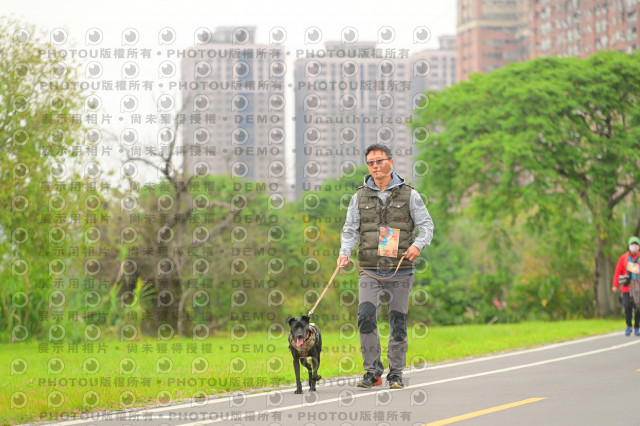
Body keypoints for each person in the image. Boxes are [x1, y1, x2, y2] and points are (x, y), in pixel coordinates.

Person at [337, 144, 434, 389]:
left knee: (397, 322)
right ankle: (373, 372)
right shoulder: (358, 197)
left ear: (391, 162)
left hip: (401, 270)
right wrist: (344, 253)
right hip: (368, 270)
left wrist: (418, 246)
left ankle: (396, 374)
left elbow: (426, 226)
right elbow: (350, 230)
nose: (375, 166)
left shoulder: (410, 194)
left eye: (379, 161)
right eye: (371, 163)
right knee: (365, 318)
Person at [612, 236, 640, 336]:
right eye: (632, 244)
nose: (634, 246)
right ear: (628, 246)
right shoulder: (623, 258)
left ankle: (637, 327)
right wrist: (615, 285)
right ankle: (629, 325)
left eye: (636, 244)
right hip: (626, 287)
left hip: (638, 288)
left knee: (638, 307)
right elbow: (617, 272)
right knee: (627, 306)